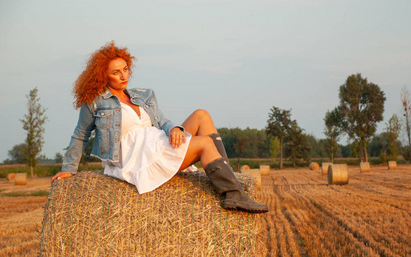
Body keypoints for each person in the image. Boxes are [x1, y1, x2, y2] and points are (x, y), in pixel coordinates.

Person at [51, 41, 268, 214]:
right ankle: (234, 192)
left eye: (125, 69)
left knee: (202, 115)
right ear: (103, 75)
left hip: (157, 143)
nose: (124, 76)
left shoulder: (142, 95)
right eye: (116, 72)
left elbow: (163, 122)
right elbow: (80, 134)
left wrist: (175, 129)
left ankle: (232, 187)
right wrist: (69, 169)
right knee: (204, 143)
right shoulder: (95, 102)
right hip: (136, 158)